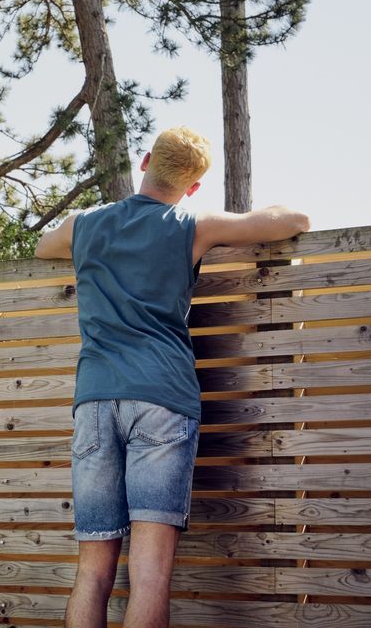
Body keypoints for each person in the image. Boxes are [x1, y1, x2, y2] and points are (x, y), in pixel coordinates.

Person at [33, 127, 310, 628]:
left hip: (94, 404)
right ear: (194, 186)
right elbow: (291, 220)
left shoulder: (85, 223)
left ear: (144, 161)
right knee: (151, 574)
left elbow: (41, 246)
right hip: (163, 400)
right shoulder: (191, 223)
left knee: (92, 572)